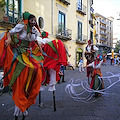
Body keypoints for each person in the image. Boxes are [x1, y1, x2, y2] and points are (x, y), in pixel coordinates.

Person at [0, 12, 44, 120]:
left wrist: (39, 48)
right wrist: (9, 39)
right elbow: (9, 32)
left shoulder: (34, 31)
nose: (33, 22)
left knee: (37, 69)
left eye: (34, 21)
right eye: (32, 20)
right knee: (22, 69)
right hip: (20, 52)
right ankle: (17, 85)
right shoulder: (21, 27)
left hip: (30, 53)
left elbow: (35, 41)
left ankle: (29, 92)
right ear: (27, 20)